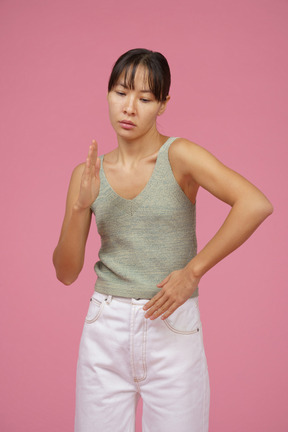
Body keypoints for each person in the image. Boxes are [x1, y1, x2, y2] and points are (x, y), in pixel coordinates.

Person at [53, 48, 273, 432]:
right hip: (106, 327)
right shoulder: (87, 174)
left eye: (146, 98)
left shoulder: (179, 156)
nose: (130, 108)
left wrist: (193, 272)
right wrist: (79, 207)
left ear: (163, 104)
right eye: (121, 92)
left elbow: (255, 204)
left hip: (171, 326)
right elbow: (67, 273)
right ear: (107, 94)